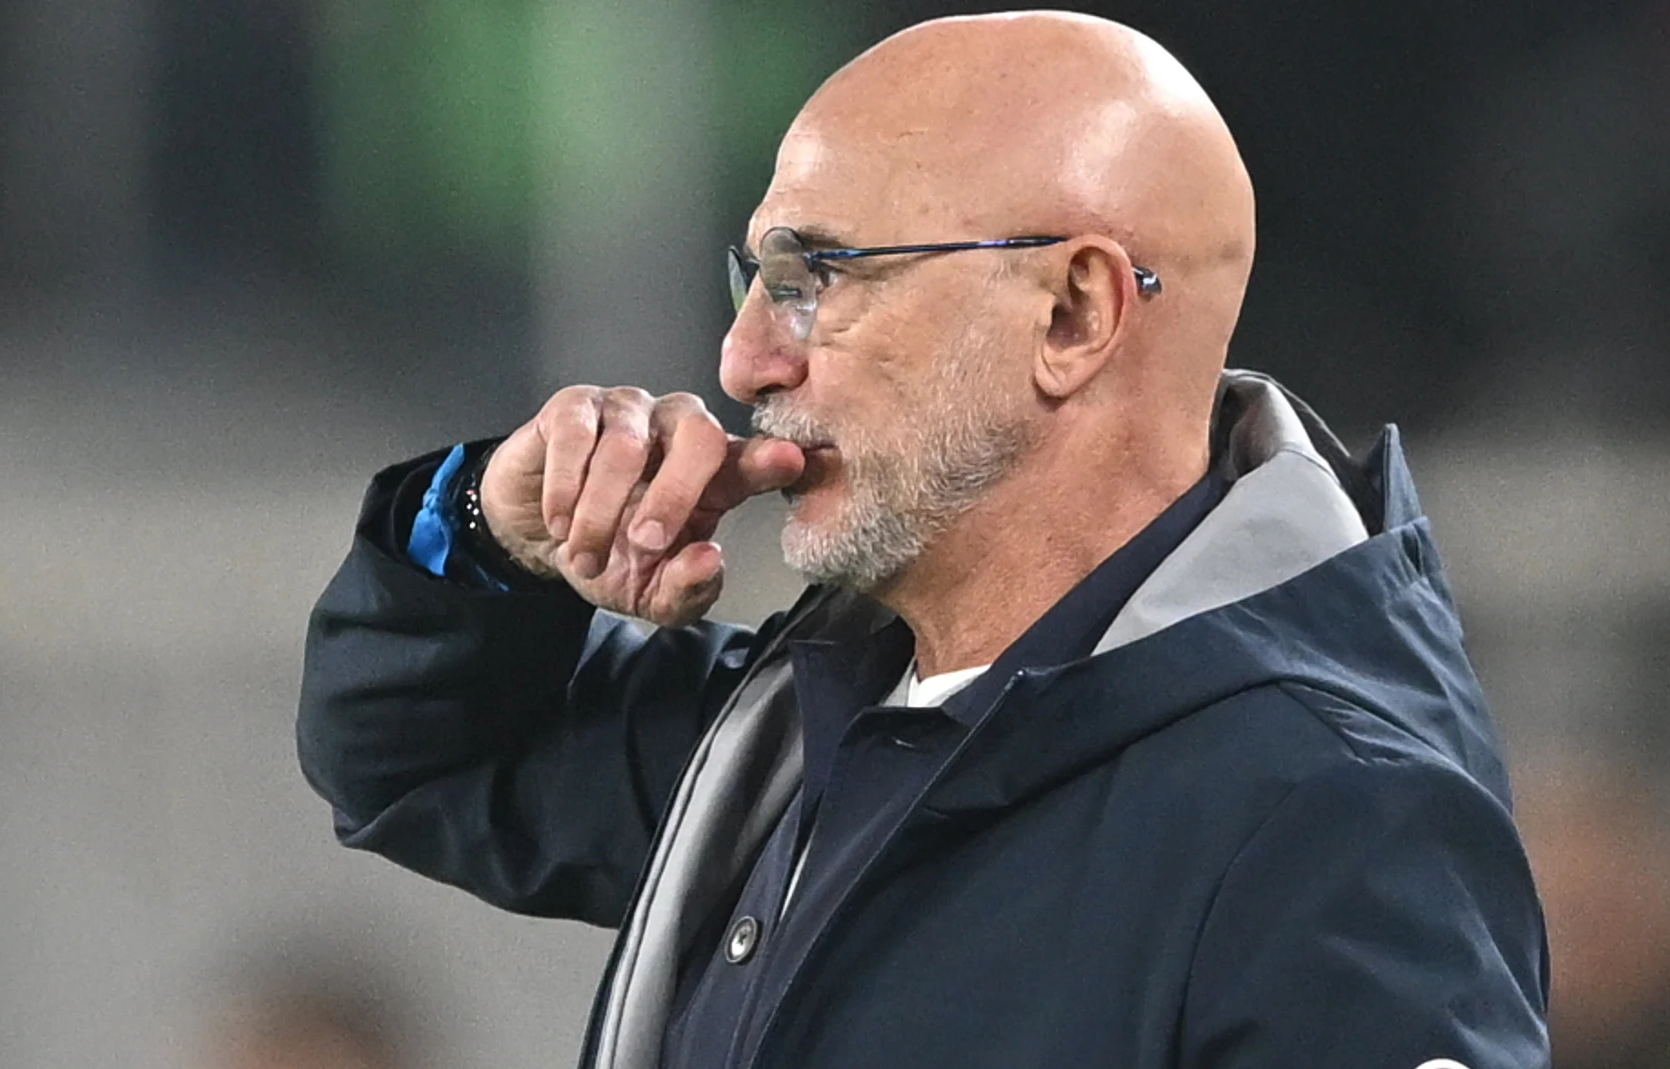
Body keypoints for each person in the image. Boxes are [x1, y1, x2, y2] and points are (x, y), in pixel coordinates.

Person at [296, 10, 1549, 1068]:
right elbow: (412, 755)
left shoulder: (1334, 813)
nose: (743, 358)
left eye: (819, 278)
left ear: (1072, 311)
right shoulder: (819, 724)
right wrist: (489, 524)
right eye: (756, 281)